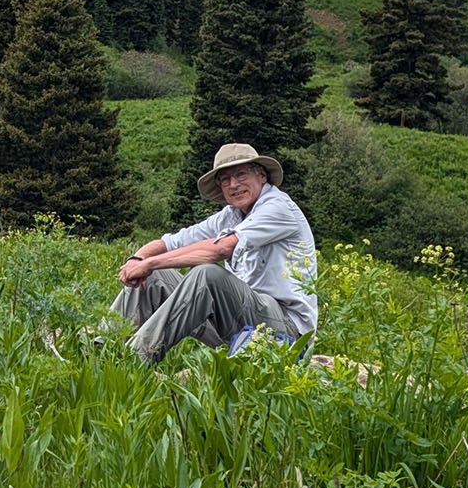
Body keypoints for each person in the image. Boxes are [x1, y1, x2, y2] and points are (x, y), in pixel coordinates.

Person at [112, 142, 316, 362]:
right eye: (225, 179)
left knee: (207, 275)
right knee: (153, 277)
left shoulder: (277, 207)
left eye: (241, 175)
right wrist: (139, 259)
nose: (233, 184)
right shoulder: (231, 214)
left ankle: (134, 359)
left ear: (262, 176)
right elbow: (171, 242)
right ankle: (99, 347)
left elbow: (221, 248)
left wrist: (150, 263)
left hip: (285, 329)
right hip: (240, 323)